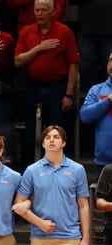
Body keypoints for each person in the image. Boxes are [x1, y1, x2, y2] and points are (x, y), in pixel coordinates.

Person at [14, 0, 79, 169]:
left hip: (56, 86)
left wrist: (69, 94)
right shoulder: (27, 31)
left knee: (56, 129)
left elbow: (73, 64)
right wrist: (39, 48)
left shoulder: (64, 32)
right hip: (31, 85)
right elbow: (18, 61)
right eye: (37, 10)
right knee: (29, 132)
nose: (40, 14)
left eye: (43, 10)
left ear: (53, 11)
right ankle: (28, 168)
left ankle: (59, 165)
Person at [80, 50, 112, 170]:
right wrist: (107, 101)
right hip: (103, 162)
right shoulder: (96, 90)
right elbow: (85, 116)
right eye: (110, 61)